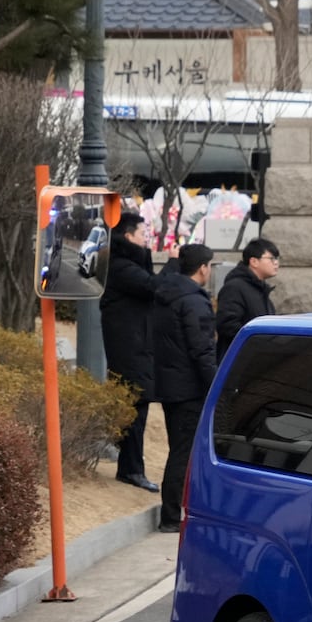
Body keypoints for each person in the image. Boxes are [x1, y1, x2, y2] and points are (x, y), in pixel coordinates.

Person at [151, 244, 219, 533]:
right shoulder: (193, 301)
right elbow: (202, 349)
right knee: (184, 453)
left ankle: (173, 512)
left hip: (170, 384)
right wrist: (216, 386)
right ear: (203, 267)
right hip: (190, 387)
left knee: (179, 449)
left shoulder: (166, 295)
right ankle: (170, 516)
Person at [99, 212, 159, 492]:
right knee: (134, 409)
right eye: (142, 234)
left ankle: (132, 468)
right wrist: (172, 263)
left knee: (137, 408)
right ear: (128, 236)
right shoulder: (121, 266)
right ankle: (131, 470)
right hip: (129, 351)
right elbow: (153, 286)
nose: (146, 239)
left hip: (137, 348)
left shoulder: (128, 263)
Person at [215, 239, 279, 359]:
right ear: (254, 261)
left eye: (277, 259)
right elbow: (228, 325)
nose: (276, 263)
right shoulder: (234, 288)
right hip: (240, 361)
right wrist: (259, 341)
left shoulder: (261, 289)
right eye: (271, 258)